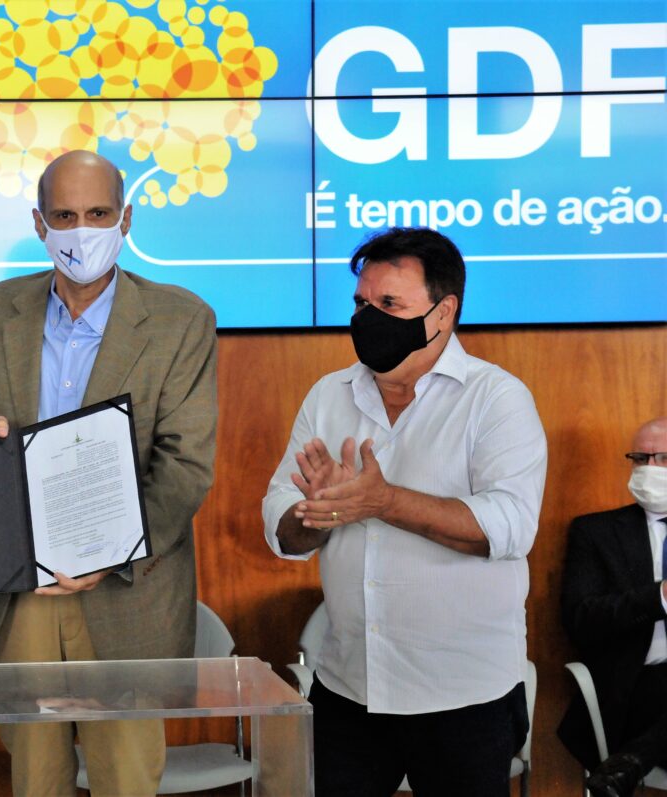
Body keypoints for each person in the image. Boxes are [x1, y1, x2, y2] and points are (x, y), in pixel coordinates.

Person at [0, 149, 218, 796]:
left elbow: (184, 466)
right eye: (64, 215)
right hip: (23, 593)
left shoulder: (182, 319)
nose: (81, 231)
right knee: (35, 780)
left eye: (97, 213)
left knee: (126, 779)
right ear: (39, 224)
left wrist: (108, 550)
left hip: (127, 591)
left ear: (125, 219)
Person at [261, 227, 547, 796]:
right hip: (349, 685)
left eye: (389, 305)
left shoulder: (497, 398)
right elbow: (281, 525)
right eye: (361, 304)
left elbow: (510, 526)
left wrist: (383, 502)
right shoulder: (328, 395)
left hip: (465, 694)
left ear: (444, 312)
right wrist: (314, 515)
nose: (368, 318)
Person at [560, 417, 667, 797]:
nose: (650, 469)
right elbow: (580, 619)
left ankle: (629, 765)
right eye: (641, 458)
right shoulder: (597, 532)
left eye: (664, 459)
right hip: (637, 688)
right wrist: (661, 596)